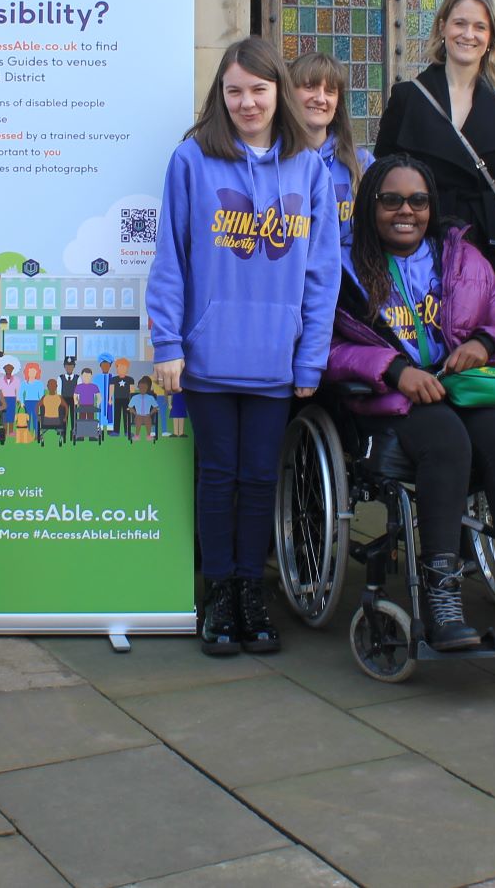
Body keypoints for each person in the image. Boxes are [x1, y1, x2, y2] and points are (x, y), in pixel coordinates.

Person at [147, 36, 337, 655]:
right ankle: (219, 594)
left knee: (259, 478)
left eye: (258, 89)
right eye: (234, 91)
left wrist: (310, 357)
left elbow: (322, 272)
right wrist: (169, 342)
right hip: (207, 357)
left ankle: (252, 592)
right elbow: (171, 258)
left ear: (277, 92)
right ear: (219, 96)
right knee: (217, 474)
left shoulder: (309, 168)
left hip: (275, 361)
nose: (247, 102)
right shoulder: (192, 161)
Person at [327, 155, 495, 649]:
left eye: (417, 200)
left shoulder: (463, 260)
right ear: (370, 205)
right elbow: (323, 351)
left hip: (465, 391)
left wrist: (481, 344)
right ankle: (442, 597)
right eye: (391, 200)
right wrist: (394, 369)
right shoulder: (343, 268)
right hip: (394, 403)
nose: (405, 211)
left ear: (432, 206)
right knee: (447, 440)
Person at [374, 0, 495, 334]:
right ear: (442, 28)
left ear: (492, 37)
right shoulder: (407, 97)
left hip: (493, 250)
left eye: (479, 26)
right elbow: (382, 177)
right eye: (460, 23)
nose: (468, 34)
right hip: (423, 247)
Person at [291, 50, 373, 256]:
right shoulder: (273, 160)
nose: (320, 98)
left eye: (330, 91)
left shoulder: (362, 163)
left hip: (348, 281)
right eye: (310, 87)